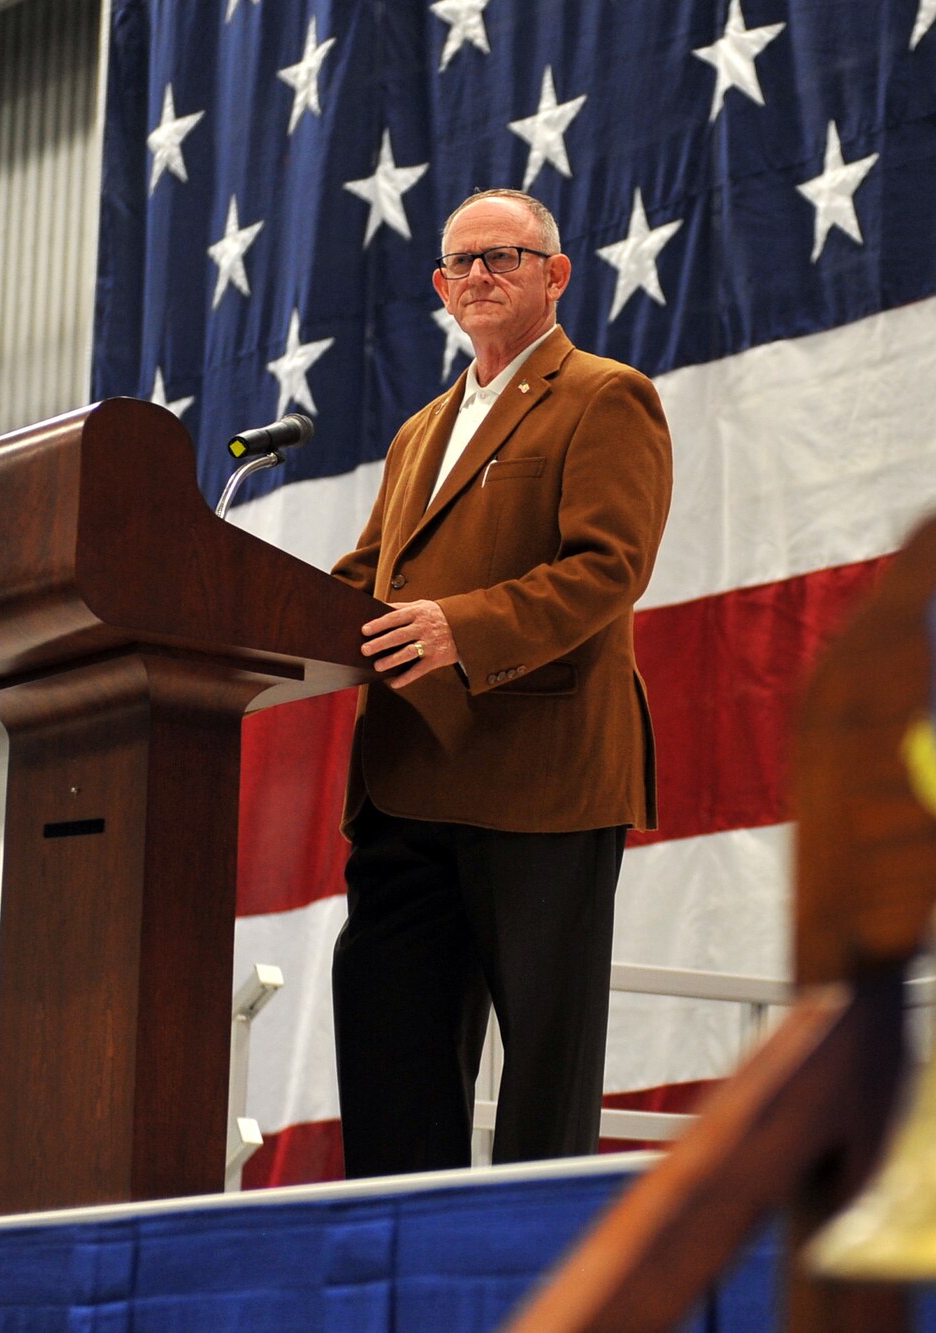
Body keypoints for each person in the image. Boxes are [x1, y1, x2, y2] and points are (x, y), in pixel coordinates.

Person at [328, 188, 674, 1176]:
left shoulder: (606, 396)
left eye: (505, 256)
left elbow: (607, 569)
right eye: (463, 262)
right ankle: (406, 1267)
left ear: (554, 274)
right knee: (393, 1056)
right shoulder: (414, 434)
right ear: (440, 287)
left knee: (543, 1078)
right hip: (406, 782)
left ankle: (534, 1288)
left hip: (543, 781)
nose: (480, 274)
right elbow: (363, 586)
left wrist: (460, 629)